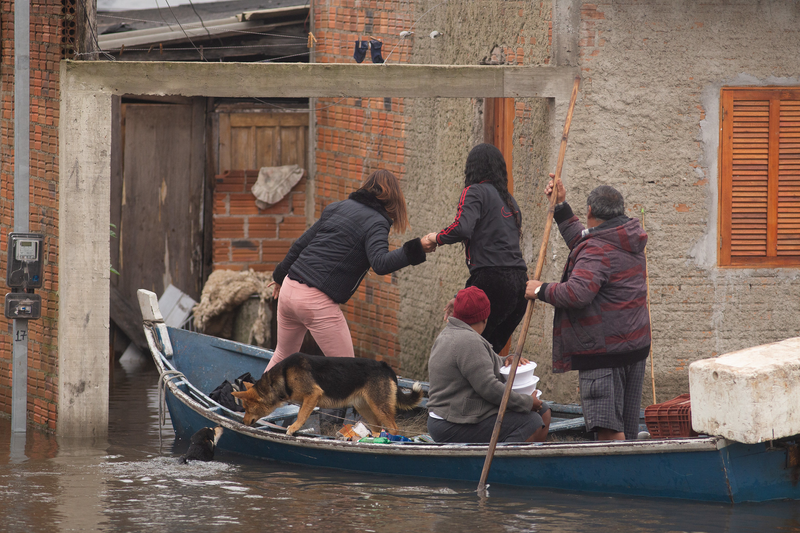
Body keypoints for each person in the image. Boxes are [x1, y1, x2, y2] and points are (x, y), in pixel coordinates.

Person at [267, 169, 433, 371]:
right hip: (315, 301)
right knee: (349, 371)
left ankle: (256, 402)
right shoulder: (377, 222)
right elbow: (380, 263)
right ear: (393, 198)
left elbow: (299, 245)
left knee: (282, 355)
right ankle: (333, 403)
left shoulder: (337, 207)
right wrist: (418, 247)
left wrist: (278, 278)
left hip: (288, 289)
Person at [525, 176, 650, 441]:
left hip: (604, 353)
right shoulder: (624, 237)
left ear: (590, 211)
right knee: (626, 428)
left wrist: (540, 289)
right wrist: (561, 206)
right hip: (633, 348)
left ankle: (612, 479)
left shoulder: (598, 249)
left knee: (609, 431)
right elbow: (584, 244)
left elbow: (577, 293)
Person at [423, 143, 529, 354]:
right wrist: (460, 295)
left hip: (493, 281)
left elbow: (462, 228)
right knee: (488, 352)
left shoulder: (474, 191)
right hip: (520, 287)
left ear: (472, 168)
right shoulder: (510, 202)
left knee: (464, 350)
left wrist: (435, 237)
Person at [426, 286, 550, 444]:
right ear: (485, 318)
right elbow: (489, 388)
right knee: (531, 422)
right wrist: (526, 402)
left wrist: (507, 359)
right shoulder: (468, 341)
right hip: (451, 423)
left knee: (543, 411)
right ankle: (504, 465)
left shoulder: (454, 332)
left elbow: (481, 363)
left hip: (460, 412)